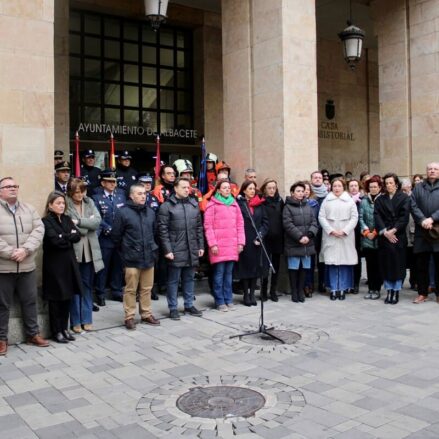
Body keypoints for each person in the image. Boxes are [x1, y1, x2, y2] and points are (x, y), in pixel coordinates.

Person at [0, 177, 49, 355]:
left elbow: (39, 230)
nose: (13, 189)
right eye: (8, 186)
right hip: (3, 268)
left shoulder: (28, 209)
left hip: (27, 266)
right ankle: (1, 339)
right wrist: (11, 252)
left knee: (30, 301)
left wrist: (25, 250)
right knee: (2, 305)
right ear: (0, 191)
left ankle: (32, 334)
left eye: (15, 186)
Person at [112, 184, 160, 330]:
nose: (143, 196)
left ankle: (146, 314)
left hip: (148, 256)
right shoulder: (123, 212)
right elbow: (116, 236)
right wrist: (126, 251)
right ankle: (129, 316)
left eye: (144, 193)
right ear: (131, 196)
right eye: (139, 194)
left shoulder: (150, 212)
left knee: (146, 288)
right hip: (131, 257)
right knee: (131, 289)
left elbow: (155, 232)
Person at [158, 178, 204, 320]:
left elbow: (198, 228)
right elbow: (162, 230)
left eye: (188, 187)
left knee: (189, 278)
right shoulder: (167, 206)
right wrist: (167, 249)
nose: (187, 190)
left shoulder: (193, 204)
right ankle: (173, 308)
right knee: (173, 280)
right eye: (183, 187)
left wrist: (200, 245)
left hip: (191, 247)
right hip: (175, 249)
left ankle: (189, 304)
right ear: (175, 189)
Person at [42, 191, 82, 343]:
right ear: (50, 205)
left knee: (67, 297)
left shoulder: (66, 219)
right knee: (56, 298)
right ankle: (56, 331)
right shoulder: (46, 221)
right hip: (54, 265)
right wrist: (67, 236)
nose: (61, 206)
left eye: (63, 203)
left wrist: (64, 236)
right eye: (58, 203)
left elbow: (77, 236)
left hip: (68, 263)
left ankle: (64, 328)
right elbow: (54, 241)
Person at [66, 178, 104, 333]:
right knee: (74, 287)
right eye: (76, 192)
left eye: (82, 191)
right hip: (74, 251)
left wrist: (80, 222)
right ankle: (75, 321)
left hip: (89, 251)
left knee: (87, 286)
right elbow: (72, 226)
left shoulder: (90, 202)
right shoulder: (66, 203)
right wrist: (87, 223)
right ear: (71, 192)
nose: (80, 194)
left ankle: (87, 319)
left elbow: (97, 222)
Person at [203, 180, 245, 311]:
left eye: (228, 188)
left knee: (229, 275)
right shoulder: (212, 205)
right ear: (218, 190)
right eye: (224, 188)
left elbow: (240, 225)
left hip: (232, 245)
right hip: (218, 247)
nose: (227, 190)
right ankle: (219, 301)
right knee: (219, 274)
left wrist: (241, 242)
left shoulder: (234, 204)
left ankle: (228, 299)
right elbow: (208, 226)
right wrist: (212, 244)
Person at [319, 178, 358, 301]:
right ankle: (333, 289)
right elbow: (321, 217)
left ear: (343, 187)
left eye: (339, 186)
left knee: (344, 263)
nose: (336, 188)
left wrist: (345, 230)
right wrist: (330, 230)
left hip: (345, 236)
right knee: (332, 263)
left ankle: (343, 288)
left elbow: (354, 218)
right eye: (334, 186)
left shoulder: (349, 201)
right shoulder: (326, 201)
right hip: (331, 235)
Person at [374, 173, 410, 305]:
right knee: (386, 264)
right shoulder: (380, 199)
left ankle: (396, 291)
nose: (389, 185)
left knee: (398, 264)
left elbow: (404, 217)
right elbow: (377, 216)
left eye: (391, 183)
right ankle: (389, 290)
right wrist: (385, 232)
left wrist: (394, 230)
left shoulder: (404, 198)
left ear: (396, 184)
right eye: (386, 183)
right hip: (385, 236)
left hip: (398, 236)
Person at [92, 170, 126, 304]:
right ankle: (100, 292)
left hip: (119, 238)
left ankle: (116, 290)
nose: (113, 184)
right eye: (110, 182)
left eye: (114, 182)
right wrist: (108, 228)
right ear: (103, 183)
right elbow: (97, 217)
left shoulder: (121, 195)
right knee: (103, 266)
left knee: (118, 265)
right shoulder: (96, 197)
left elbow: (124, 214)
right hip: (105, 237)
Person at [234, 180, 269, 306]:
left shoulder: (260, 205)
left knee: (255, 268)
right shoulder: (239, 204)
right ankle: (245, 295)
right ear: (244, 190)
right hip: (245, 239)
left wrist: (260, 235)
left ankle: (252, 294)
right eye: (250, 188)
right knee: (245, 267)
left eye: (254, 188)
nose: (252, 191)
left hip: (257, 240)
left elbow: (265, 223)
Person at [283, 182, 318, 303]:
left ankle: (300, 290)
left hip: (307, 243)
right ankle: (294, 291)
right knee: (294, 269)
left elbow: (314, 222)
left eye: (302, 191)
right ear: (292, 193)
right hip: (294, 243)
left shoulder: (308, 206)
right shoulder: (287, 207)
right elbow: (288, 224)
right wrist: (299, 237)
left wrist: (309, 235)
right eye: (298, 191)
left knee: (304, 268)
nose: (300, 193)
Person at [410, 162, 439, 304]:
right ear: (426, 171)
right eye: (430, 169)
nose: (432, 171)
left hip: (437, 231)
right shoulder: (418, 187)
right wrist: (422, 220)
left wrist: (432, 218)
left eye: (435, 169)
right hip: (422, 231)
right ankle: (422, 293)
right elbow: (413, 205)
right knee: (421, 264)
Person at [260, 178, 284, 302]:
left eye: (274, 188)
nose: (272, 190)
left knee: (276, 266)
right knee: (265, 267)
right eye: (269, 188)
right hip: (266, 239)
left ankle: (273, 291)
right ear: (265, 189)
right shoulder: (262, 202)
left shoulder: (280, 201)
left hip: (277, 239)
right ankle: (263, 291)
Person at [359, 175, 383, 300]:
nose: (373, 189)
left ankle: (377, 289)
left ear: (379, 188)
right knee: (370, 264)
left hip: (379, 238)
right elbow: (361, 218)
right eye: (371, 187)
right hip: (367, 238)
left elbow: (385, 218)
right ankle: (371, 288)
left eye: (375, 186)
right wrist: (367, 232)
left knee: (378, 265)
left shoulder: (383, 200)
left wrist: (376, 232)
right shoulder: (363, 201)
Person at [310, 171, 328, 293]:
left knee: (323, 258)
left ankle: (322, 282)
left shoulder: (328, 195)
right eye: (315, 177)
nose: (317, 179)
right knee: (311, 258)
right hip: (311, 231)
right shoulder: (308, 194)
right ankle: (309, 284)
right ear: (311, 179)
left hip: (325, 230)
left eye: (319, 178)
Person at [303, 181, 319, 297]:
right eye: (304, 189)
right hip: (298, 238)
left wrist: (310, 234)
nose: (306, 192)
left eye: (308, 189)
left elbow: (317, 221)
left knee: (311, 264)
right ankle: (302, 286)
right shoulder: (295, 204)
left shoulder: (315, 204)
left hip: (311, 237)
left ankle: (309, 285)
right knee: (301, 265)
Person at [401, 179, 417, 290]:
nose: (404, 190)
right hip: (402, 233)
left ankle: (414, 282)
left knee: (414, 262)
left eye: (406, 188)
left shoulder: (415, 197)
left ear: (410, 187)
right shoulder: (400, 198)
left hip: (413, 233)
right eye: (402, 189)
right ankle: (400, 281)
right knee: (401, 261)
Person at [348, 179, 363, 293]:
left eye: (355, 185)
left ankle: (356, 283)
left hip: (359, 234)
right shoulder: (345, 200)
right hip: (348, 233)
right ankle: (349, 282)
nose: (353, 188)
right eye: (351, 186)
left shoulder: (363, 200)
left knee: (357, 258)